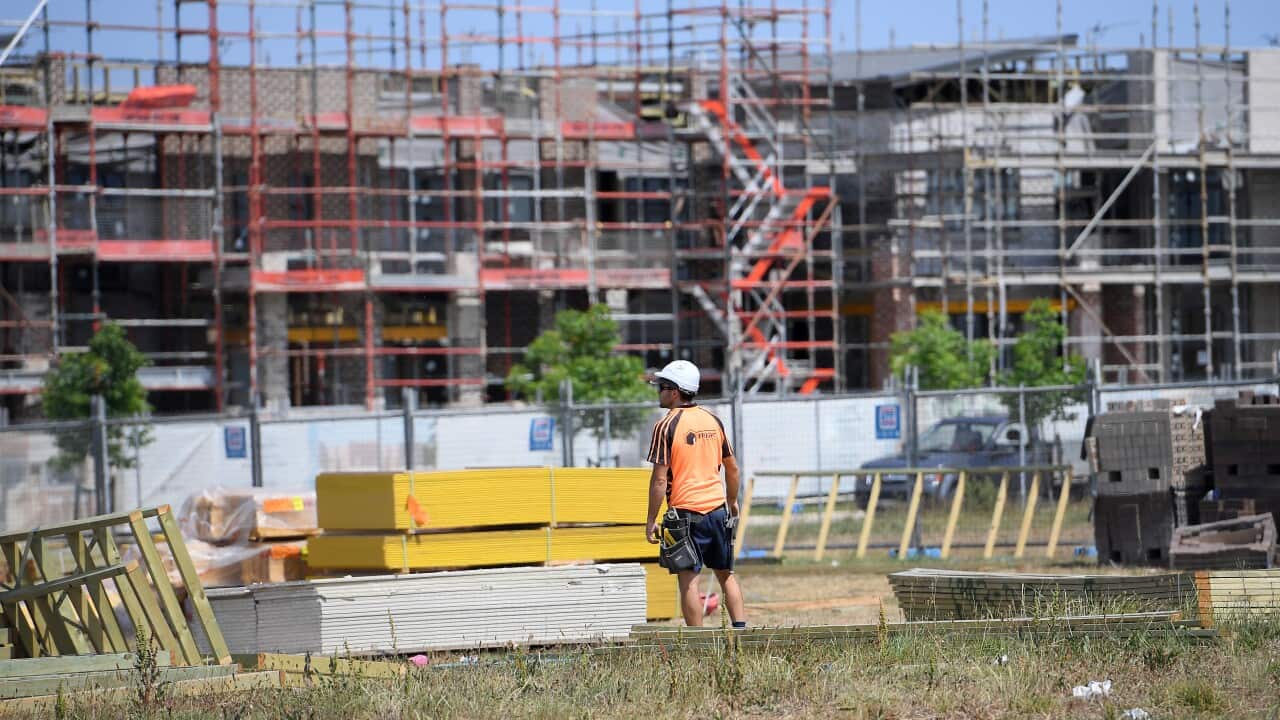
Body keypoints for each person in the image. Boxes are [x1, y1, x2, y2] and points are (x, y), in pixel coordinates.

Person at [644, 360, 747, 628]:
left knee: (688, 580)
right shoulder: (713, 420)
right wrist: (732, 502)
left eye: (662, 387)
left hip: (685, 515)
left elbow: (659, 480)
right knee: (727, 575)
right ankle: (741, 633)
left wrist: (651, 520)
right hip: (717, 511)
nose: (659, 392)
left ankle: (697, 644)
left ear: (675, 391)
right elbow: (732, 468)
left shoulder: (665, 426)